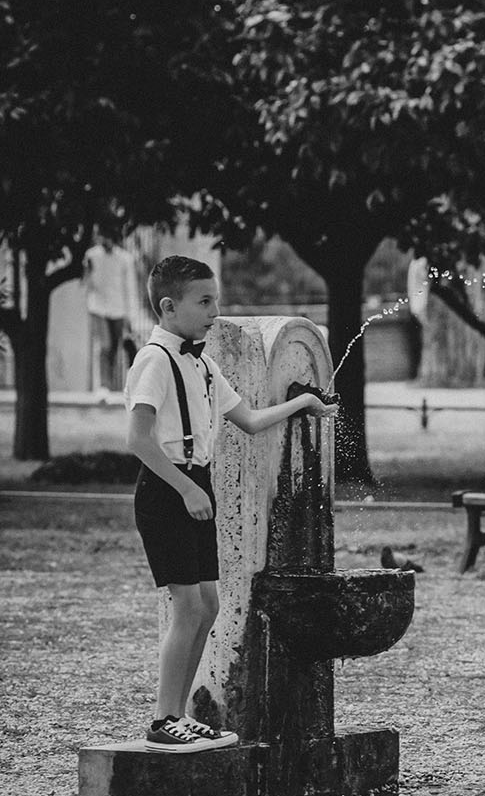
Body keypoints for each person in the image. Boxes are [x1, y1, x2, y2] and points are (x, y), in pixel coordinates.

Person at [125, 254, 337, 753]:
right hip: (167, 490)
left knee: (209, 605)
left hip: (195, 486)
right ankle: (162, 720)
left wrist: (303, 403)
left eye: (215, 299)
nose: (215, 310)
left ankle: (177, 715)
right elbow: (138, 439)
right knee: (188, 604)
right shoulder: (155, 360)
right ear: (169, 306)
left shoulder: (201, 362)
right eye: (205, 301)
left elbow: (249, 419)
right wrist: (186, 489)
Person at [82, 228, 140, 393]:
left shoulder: (125, 258)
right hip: (98, 307)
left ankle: (111, 385)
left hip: (119, 309)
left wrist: (131, 315)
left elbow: (130, 287)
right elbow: (87, 283)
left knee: (114, 348)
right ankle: (103, 385)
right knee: (105, 346)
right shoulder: (92, 256)